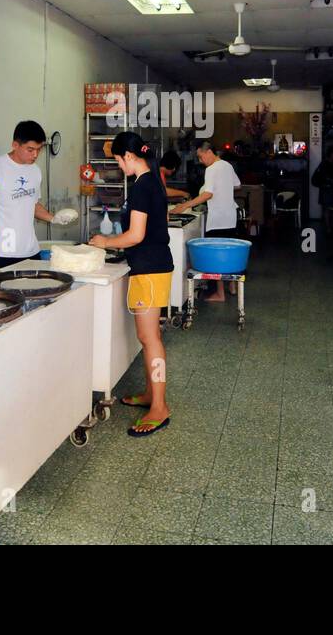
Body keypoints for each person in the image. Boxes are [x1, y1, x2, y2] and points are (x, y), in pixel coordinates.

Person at [89, 132, 173, 437]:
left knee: (150, 339)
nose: (119, 167)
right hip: (153, 266)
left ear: (128, 156)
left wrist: (106, 242)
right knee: (148, 337)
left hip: (149, 270)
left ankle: (160, 407)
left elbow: (136, 235)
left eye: (118, 161)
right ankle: (152, 394)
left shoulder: (141, 186)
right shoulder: (154, 181)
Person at [0, 120, 56, 289]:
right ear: (15, 145)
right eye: (30, 149)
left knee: (32, 307)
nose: (35, 155)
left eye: (39, 149)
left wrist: (54, 219)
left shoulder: (35, 171)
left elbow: (33, 204)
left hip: (29, 253)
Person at [171, 140, 242, 302]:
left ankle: (220, 294)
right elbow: (237, 185)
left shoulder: (211, 169)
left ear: (209, 152)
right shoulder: (227, 165)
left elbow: (207, 194)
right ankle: (231, 287)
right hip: (230, 216)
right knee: (229, 252)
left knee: (217, 256)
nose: (201, 161)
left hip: (217, 218)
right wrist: (222, 188)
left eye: (201, 157)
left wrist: (185, 206)